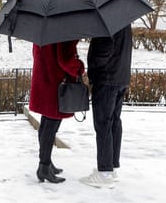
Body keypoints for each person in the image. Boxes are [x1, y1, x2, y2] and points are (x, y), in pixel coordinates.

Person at [80, 25, 133, 188]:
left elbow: (103, 51)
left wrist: (91, 69)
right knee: (114, 122)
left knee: (103, 124)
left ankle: (105, 172)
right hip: (120, 77)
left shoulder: (107, 24)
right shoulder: (123, 22)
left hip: (107, 79)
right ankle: (111, 166)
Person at [30, 40, 85, 184]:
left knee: (46, 124)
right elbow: (65, 60)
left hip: (44, 79)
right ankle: (44, 166)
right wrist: (79, 67)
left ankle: (46, 162)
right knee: (51, 126)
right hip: (56, 84)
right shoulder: (63, 33)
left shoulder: (44, 30)